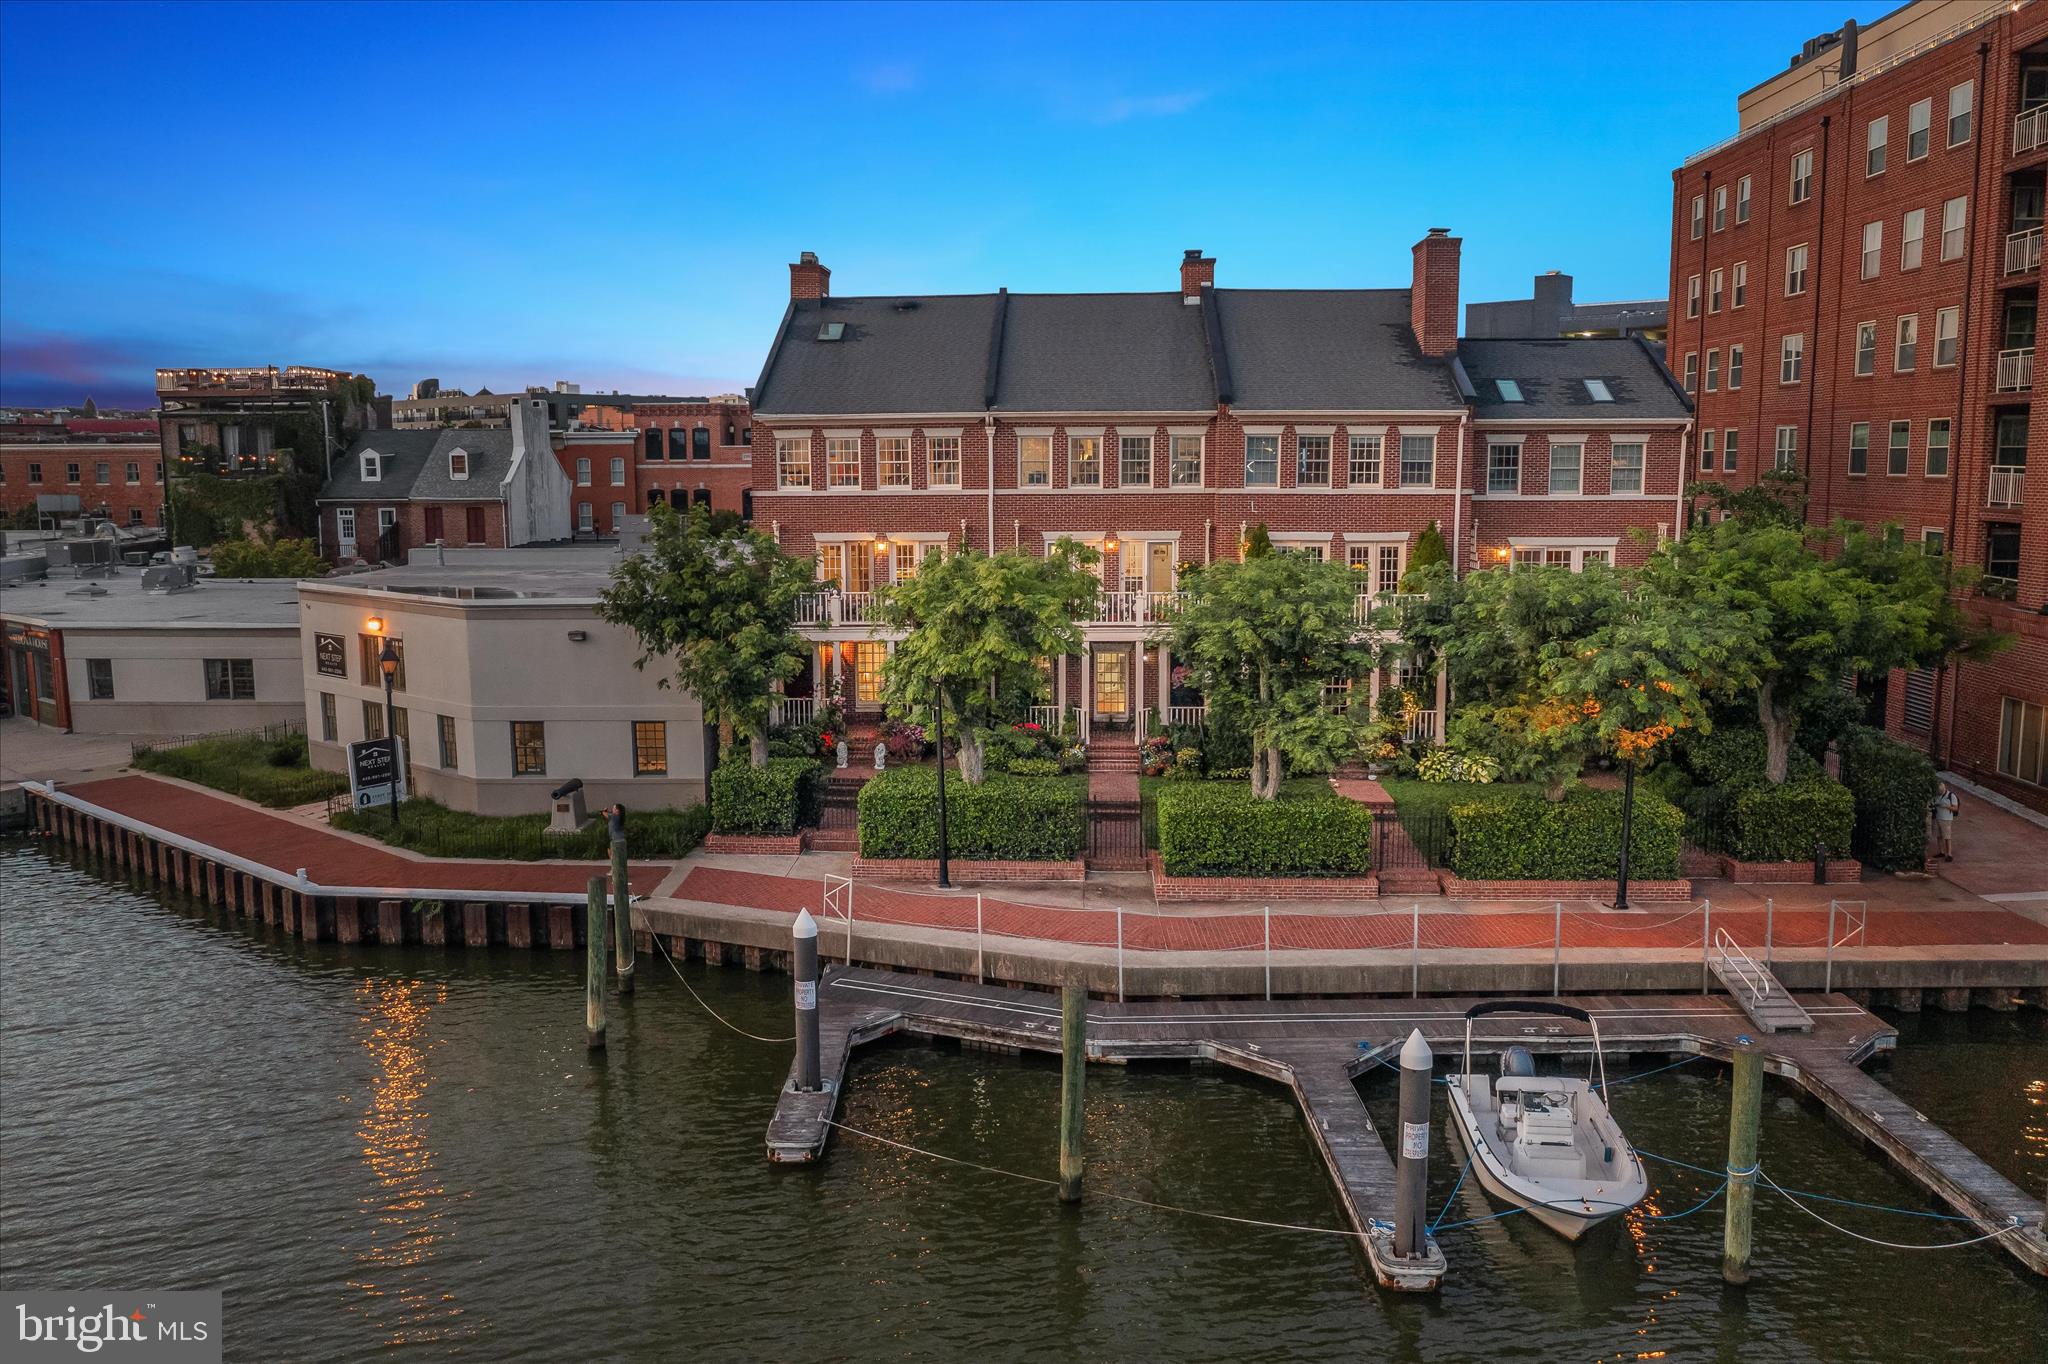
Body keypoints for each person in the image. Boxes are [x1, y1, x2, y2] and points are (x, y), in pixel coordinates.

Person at [1930, 782, 1959, 861]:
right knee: (1938, 836)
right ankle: (1941, 852)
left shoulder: (1951, 796)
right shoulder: (1936, 795)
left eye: (1940, 791)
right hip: (1937, 817)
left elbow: (1956, 808)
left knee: (1947, 837)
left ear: (1944, 789)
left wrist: (1946, 806)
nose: (1939, 793)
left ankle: (1949, 854)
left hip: (1946, 819)